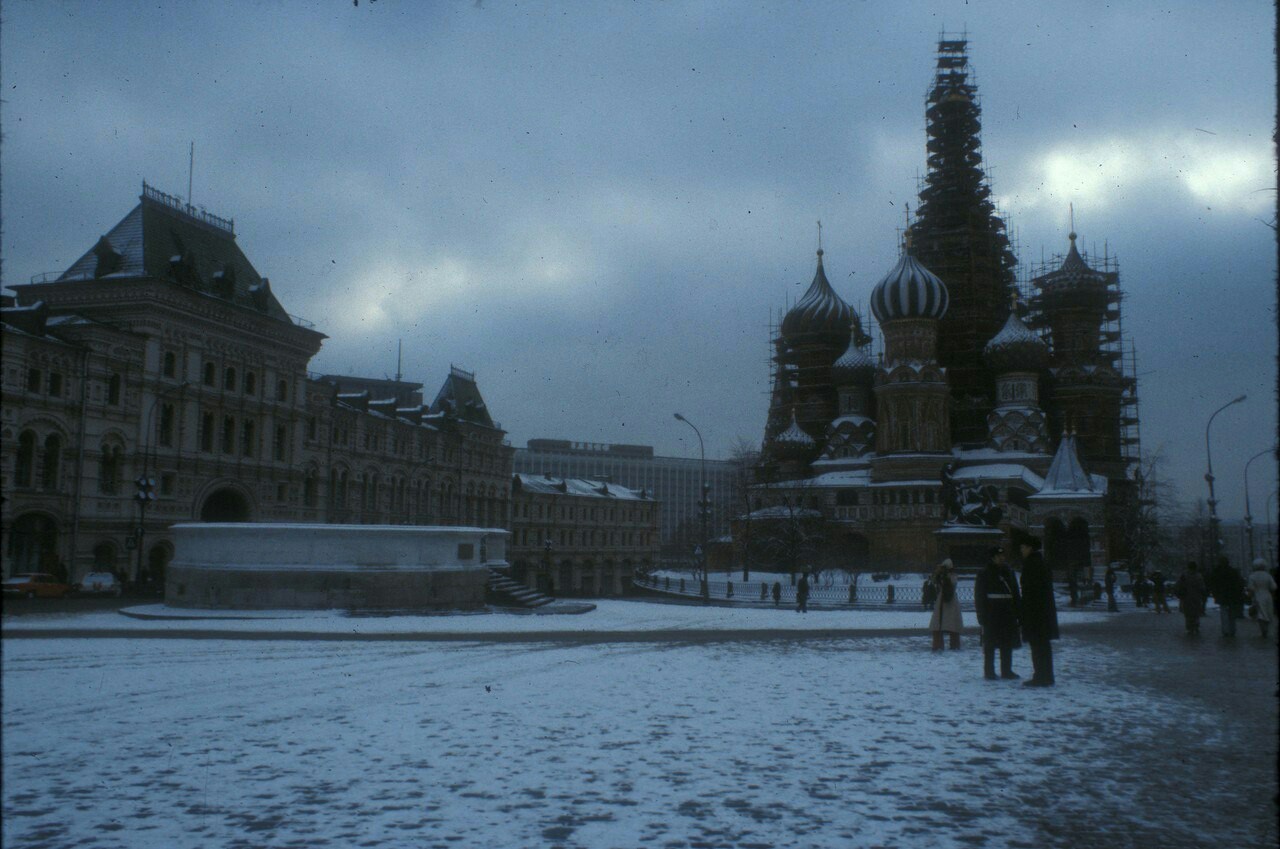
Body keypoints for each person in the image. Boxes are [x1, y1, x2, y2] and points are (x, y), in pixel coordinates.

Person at [974, 546, 1021, 680]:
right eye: (998, 556)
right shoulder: (984, 573)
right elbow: (980, 596)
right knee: (990, 644)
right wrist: (981, 615)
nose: (1002, 558)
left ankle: (1007, 670)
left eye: (1002, 555)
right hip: (991, 612)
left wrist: (1018, 611)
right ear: (992, 557)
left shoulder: (1009, 572)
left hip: (1007, 611)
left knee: (1007, 643)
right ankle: (989, 671)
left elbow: (1015, 593)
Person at [1018, 537, 1058, 687]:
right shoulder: (1042, 563)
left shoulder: (1031, 564)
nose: (1021, 550)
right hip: (1044, 611)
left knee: (1037, 645)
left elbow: (1030, 591)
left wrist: (1024, 611)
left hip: (1035, 612)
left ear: (1030, 548)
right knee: (1043, 645)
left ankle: (1040, 676)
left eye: (1023, 547)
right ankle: (1047, 675)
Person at [928, 558, 964, 651]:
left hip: (947, 601)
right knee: (941, 625)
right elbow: (933, 581)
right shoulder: (944, 576)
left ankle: (950, 646)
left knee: (946, 625)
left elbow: (950, 585)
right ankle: (941, 646)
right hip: (945, 602)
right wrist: (938, 573)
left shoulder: (951, 576)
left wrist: (942, 575)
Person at [1207, 556, 1246, 638]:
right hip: (1232, 595)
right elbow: (1239, 584)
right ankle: (1232, 630)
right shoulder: (1233, 571)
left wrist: (1215, 594)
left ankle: (1225, 630)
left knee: (1224, 613)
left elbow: (1212, 583)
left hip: (1222, 596)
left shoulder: (1217, 572)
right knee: (1232, 614)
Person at [1246, 558, 1276, 638]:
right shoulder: (1268, 575)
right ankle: (1267, 629)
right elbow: (1273, 587)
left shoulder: (1252, 576)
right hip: (1267, 595)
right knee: (1268, 612)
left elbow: (1251, 588)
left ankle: (1263, 630)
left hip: (1258, 595)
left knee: (1261, 613)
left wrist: (1250, 595)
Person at [1174, 562, 1206, 635]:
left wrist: (1179, 593)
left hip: (1186, 597)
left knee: (1188, 614)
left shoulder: (1184, 576)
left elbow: (1178, 585)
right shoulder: (1198, 576)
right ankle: (1196, 626)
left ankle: (1189, 628)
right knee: (1196, 613)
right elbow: (1202, 587)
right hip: (1196, 597)